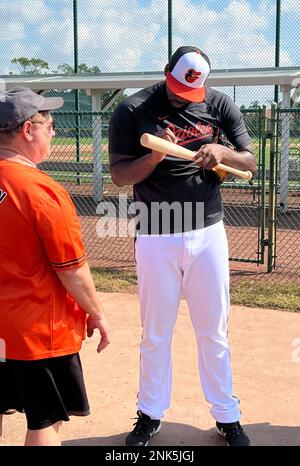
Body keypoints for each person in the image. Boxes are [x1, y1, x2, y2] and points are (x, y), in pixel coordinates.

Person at [109, 46, 257, 447]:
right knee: (156, 332)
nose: (182, 98)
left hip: (208, 231)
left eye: (190, 94)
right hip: (156, 231)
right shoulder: (132, 109)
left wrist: (223, 151)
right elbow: (120, 175)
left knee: (214, 331)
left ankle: (227, 416)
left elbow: (249, 162)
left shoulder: (219, 103)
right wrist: (155, 157)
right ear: (165, 72)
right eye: (176, 90)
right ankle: (150, 413)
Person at [0, 87, 110, 446]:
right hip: (36, 334)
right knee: (44, 420)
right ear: (27, 130)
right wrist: (97, 314)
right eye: (48, 123)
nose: (53, 130)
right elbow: (71, 270)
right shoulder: (40, 190)